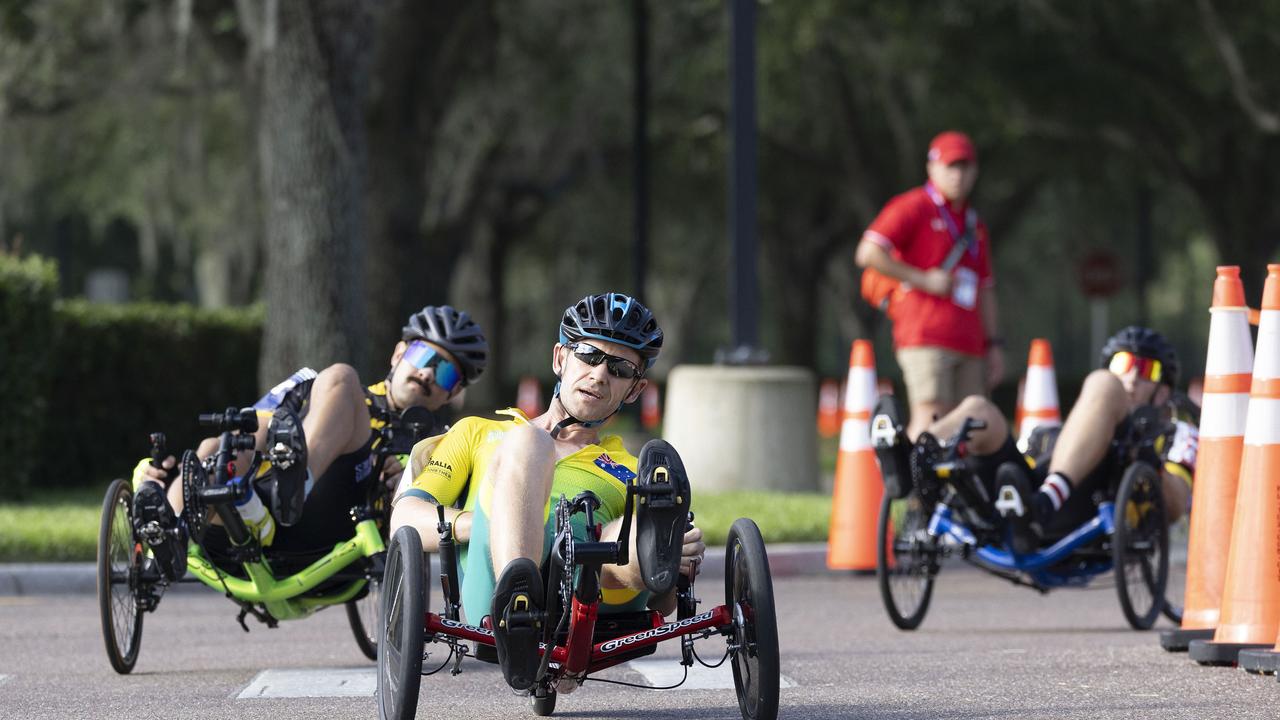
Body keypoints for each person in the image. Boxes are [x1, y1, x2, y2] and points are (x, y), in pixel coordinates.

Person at [390, 292, 705, 693]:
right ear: (560, 358)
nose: (599, 375)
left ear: (635, 389)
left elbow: (661, 608)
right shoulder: (479, 432)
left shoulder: (628, 466)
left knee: (642, 510)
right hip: (494, 582)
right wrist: (488, 521)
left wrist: (676, 557)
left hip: (594, 592)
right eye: (589, 355)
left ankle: (654, 545)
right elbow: (404, 521)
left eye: (620, 367)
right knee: (530, 442)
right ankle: (518, 604)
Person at [131, 305, 489, 581]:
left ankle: (297, 483)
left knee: (341, 376)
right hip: (250, 517)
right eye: (423, 358)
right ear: (399, 355)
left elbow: (440, 518)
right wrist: (169, 473)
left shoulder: (443, 444)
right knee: (215, 445)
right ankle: (171, 532)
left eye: (444, 372)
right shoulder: (317, 390)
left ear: (453, 391)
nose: (427, 374)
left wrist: (406, 488)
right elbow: (245, 428)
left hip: (332, 534)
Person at [878, 326, 1196, 554]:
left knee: (1102, 384)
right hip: (1022, 502)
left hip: (1088, 505)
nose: (1129, 377)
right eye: (1120, 365)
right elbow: (1017, 469)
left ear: (1164, 390)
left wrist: (1148, 460)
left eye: (1145, 370)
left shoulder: (1174, 436)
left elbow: (1176, 504)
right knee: (979, 409)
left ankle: (1044, 503)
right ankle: (911, 459)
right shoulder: (1066, 430)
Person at [855, 130, 1005, 440]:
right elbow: (867, 253)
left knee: (971, 423)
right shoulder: (913, 206)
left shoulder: (974, 224)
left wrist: (994, 345)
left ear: (975, 172)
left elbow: (986, 287)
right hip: (924, 335)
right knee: (929, 416)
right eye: (951, 166)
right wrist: (923, 279)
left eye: (965, 167)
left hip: (969, 341)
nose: (958, 175)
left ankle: (952, 489)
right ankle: (915, 487)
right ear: (932, 168)